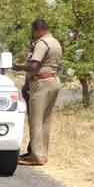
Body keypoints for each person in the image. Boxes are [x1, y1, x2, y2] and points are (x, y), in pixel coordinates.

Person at [12, 19, 63, 166]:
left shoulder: (42, 43)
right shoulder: (55, 42)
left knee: (36, 121)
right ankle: (43, 154)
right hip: (53, 81)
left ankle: (35, 156)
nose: (33, 35)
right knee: (46, 120)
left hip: (41, 83)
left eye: (33, 32)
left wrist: (17, 67)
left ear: (38, 30)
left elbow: (34, 66)